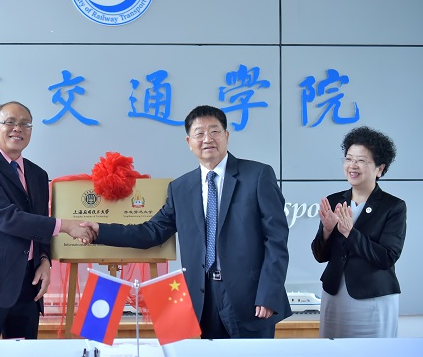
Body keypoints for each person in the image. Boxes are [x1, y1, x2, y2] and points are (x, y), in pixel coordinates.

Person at [82, 105, 291, 339]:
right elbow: (151, 232)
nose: (207, 139)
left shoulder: (258, 175)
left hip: (251, 298)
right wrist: (100, 231)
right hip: (203, 298)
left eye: (214, 131)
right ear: (189, 142)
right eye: (199, 133)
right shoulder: (180, 188)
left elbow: (276, 239)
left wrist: (269, 293)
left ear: (226, 136)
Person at [0, 101, 95, 339]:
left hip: (28, 285)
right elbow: (6, 218)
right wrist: (66, 226)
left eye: (25, 124)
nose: (18, 128)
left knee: (24, 355)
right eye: (10, 122)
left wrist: (44, 259)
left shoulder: (38, 174)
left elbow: (39, 222)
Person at [312, 126, 406, 338]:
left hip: (373, 297)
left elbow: (387, 257)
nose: (352, 166)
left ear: (380, 168)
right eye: (349, 159)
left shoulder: (393, 207)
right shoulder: (335, 200)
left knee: (375, 353)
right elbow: (320, 256)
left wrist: (350, 232)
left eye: (361, 160)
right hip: (334, 294)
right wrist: (327, 230)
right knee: (331, 352)